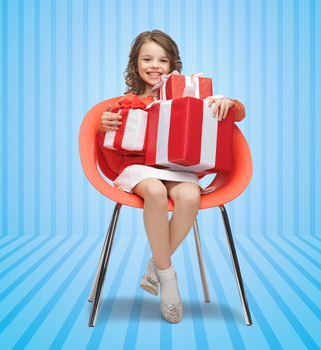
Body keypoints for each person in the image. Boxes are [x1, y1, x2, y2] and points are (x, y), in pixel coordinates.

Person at [97, 30, 245, 323]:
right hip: (139, 170)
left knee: (190, 195)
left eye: (163, 60)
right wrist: (103, 123)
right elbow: (105, 134)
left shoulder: (190, 95)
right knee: (154, 191)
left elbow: (237, 114)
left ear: (173, 64)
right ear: (135, 64)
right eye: (147, 59)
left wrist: (230, 103)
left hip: (178, 169)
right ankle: (169, 280)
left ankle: (155, 267)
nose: (155, 65)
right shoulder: (128, 103)